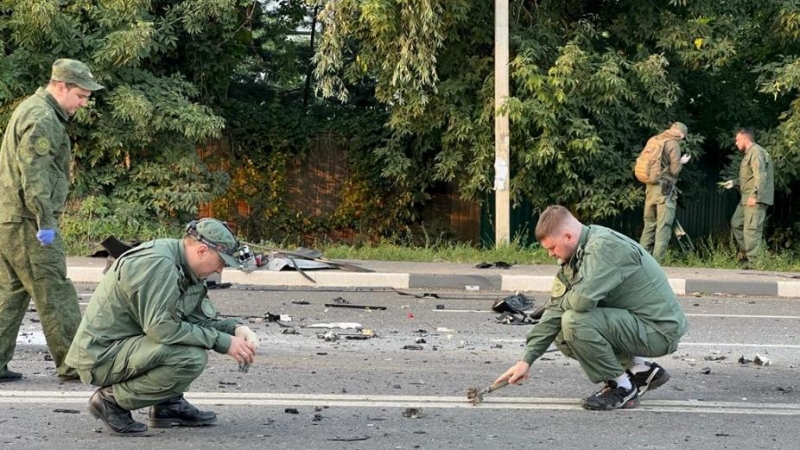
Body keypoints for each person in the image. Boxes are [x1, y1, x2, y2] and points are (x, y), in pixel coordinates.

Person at [65, 218, 260, 436]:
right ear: (202, 251)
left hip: (126, 347)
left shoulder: (185, 266)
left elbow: (196, 319)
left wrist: (236, 329)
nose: (220, 269)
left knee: (189, 342)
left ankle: (168, 404)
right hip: (100, 356)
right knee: (190, 357)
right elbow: (162, 329)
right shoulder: (159, 265)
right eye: (221, 262)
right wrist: (222, 342)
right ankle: (111, 401)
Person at [495, 205, 687, 411]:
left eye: (552, 248)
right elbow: (554, 310)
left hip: (658, 330)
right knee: (560, 328)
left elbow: (581, 302)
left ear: (568, 237)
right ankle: (639, 370)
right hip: (637, 323)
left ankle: (622, 388)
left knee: (574, 321)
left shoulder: (604, 248)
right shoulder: (577, 255)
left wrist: (561, 304)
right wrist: (526, 360)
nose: (550, 254)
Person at [0, 58, 104, 382]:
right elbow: (35, 174)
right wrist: (45, 221)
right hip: (29, 221)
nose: (83, 103)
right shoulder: (43, 117)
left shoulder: (32, 109)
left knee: (11, 293)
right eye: (81, 95)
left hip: (11, 219)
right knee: (55, 290)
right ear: (62, 86)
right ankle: (75, 364)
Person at [719, 128, 774, 266]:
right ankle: (747, 254)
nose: (736, 143)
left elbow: (760, 176)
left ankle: (754, 264)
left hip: (754, 199)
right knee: (736, 223)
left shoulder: (755, 152)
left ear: (746, 139)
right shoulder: (750, 153)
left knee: (751, 230)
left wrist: (755, 195)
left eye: (738, 140)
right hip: (745, 199)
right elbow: (749, 177)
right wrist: (734, 183)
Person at [639, 122, 691, 262]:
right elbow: (674, 170)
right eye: (683, 137)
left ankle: (642, 261)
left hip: (650, 188)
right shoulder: (673, 144)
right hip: (665, 190)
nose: (682, 139)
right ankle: (656, 262)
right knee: (664, 226)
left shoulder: (654, 139)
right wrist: (681, 162)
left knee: (649, 225)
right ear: (680, 134)